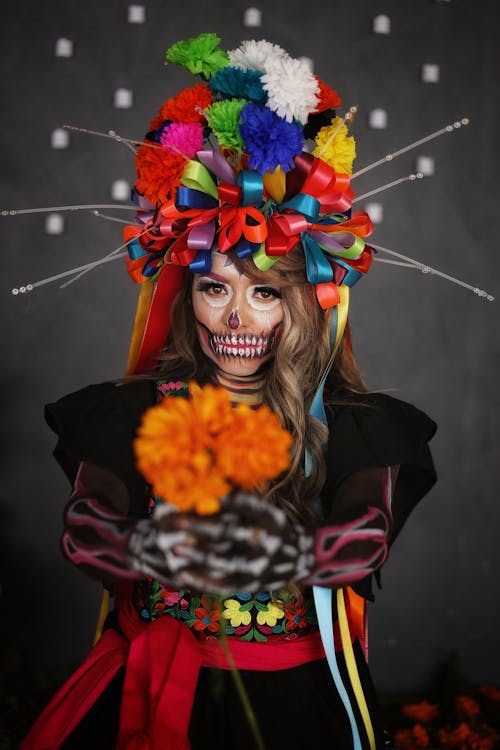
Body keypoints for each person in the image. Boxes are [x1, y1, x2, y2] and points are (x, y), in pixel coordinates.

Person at [22, 34, 437, 750]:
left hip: (295, 705)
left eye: (265, 292)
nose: (234, 316)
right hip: (148, 694)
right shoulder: (136, 411)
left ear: (307, 302)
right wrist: (150, 550)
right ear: (190, 297)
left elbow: (366, 535)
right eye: (214, 288)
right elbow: (86, 524)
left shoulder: (356, 426)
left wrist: (276, 558)